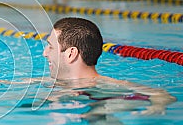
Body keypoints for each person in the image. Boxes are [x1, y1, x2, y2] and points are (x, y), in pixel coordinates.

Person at [42, 17, 175, 115]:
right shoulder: (51, 83)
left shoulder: (108, 85)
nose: (44, 53)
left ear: (71, 53)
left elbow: (161, 94)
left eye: (51, 47)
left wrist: (155, 108)